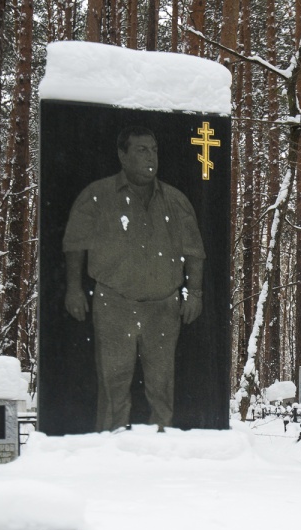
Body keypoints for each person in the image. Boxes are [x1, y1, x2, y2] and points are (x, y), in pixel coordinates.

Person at [62, 126, 206, 431]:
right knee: (113, 386)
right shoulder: (98, 196)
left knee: (161, 387)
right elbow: (75, 244)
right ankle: (111, 449)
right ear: (122, 155)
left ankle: (160, 448)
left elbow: (194, 251)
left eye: (153, 150)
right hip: (115, 305)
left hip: (163, 308)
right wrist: (73, 289)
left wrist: (195, 293)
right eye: (141, 150)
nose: (150, 157)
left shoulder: (175, 201)